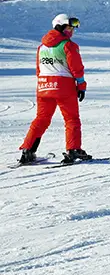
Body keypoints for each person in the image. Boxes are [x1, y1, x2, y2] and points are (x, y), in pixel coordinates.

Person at [18, 14, 91, 164]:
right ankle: (73, 149)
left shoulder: (41, 47)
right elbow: (76, 68)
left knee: (41, 119)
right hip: (64, 87)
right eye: (69, 27)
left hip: (44, 87)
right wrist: (81, 85)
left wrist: (43, 84)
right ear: (60, 26)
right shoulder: (68, 45)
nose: (71, 31)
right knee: (71, 119)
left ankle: (28, 150)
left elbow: (39, 70)